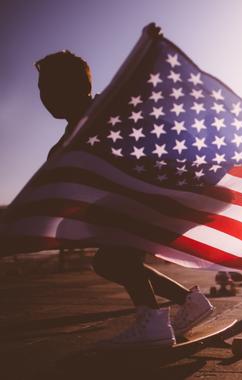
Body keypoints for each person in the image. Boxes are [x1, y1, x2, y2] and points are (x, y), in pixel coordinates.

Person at [36, 51, 214, 348]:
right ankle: (188, 303)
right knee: (109, 261)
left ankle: (153, 322)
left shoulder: (107, 111)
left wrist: (150, 52)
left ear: (77, 86)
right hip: (133, 207)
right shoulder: (68, 140)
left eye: (49, 86)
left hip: (152, 199)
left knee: (115, 257)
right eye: (41, 89)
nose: (43, 96)